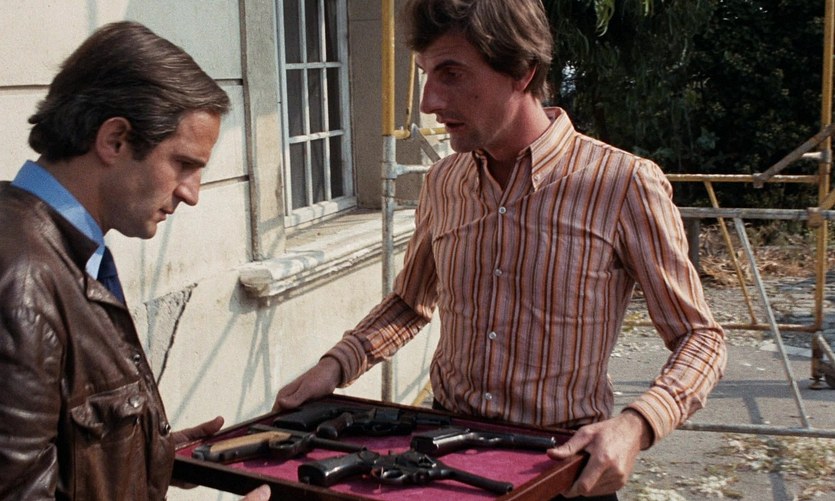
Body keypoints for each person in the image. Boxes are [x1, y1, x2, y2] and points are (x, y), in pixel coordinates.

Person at [273, 0, 727, 499]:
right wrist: (335, 366)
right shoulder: (443, 182)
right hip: (442, 462)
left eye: (451, 74)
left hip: (561, 472)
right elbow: (409, 303)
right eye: (426, 74)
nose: (428, 102)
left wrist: (636, 425)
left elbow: (700, 338)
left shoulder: (622, 183)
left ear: (522, 71)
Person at [0, 21, 269, 501]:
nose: (191, 194)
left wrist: (143, 456)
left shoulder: (57, 246)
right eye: (183, 164)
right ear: (115, 140)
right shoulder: (23, 281)